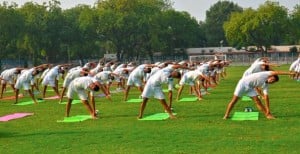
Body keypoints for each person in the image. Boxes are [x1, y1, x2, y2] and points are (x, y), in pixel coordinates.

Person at [223, 71, 292, 120]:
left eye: (273, 81)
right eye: (272, 79)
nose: (271, 81)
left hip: (250, 88)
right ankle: (226, 115)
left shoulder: (266, 85)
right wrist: (289, 73)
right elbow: (277, 72)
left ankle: (268, 115)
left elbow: (266, 98)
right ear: (270, 76)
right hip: (243, 84)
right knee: (234, 100)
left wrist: (268, 110)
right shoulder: (266, 74)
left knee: (258, 101)